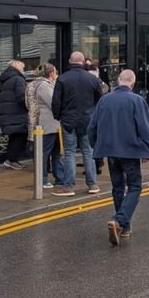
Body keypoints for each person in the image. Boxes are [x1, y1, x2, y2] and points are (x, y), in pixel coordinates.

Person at [88, 70, 149, 246]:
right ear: (132, 84)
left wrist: (96, 146)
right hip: (130, 152)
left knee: (118, 188)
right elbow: (145, 128)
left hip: (110, 151)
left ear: (119, 81)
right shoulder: (136, 100)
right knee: (134, 187)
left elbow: (92, 127)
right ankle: (119, 220)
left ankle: (123, 227)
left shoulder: (104, 100)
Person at [52, 52, 105, 193]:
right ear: (83, 62)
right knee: (88, 152)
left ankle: (69, 186)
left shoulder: (62, 78)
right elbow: (100, 99)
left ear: (70, 61)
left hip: (68, 121)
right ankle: (93, 184)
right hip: (87, 120)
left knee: (69, 153)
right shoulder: (92, 79)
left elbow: (56, 102)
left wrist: (58, 116)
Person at [27, 63, 67, 192]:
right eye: (55, 72)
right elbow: (54, 102)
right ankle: (42, 179)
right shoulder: (44, 85)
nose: (57, 74)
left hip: (54, 125)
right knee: (44, 153)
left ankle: (59, 178)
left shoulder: (46, 84)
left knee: (57, 152)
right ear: (51, 74)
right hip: (48, 124)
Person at [0, 60, 30, 171]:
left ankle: (12, 160)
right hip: (17, 113)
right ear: (18, 68)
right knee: (19, 137)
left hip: (9, 113)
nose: (24, 70)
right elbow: (21, 97)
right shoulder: (18, 79)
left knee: (14, 137)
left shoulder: (6, 79)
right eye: (23, 68)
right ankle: (12, 160)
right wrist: (28, 107)